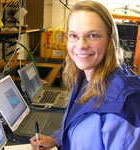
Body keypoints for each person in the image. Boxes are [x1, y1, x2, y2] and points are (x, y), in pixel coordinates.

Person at [30, 0, 140, 150]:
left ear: (110, 40)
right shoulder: (84, 76)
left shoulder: (124, 104)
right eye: (74, 35)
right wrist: (57, 139)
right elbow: (85, 127)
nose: (81, 45)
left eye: (93, 35)